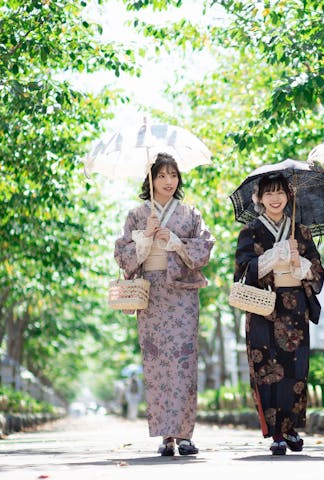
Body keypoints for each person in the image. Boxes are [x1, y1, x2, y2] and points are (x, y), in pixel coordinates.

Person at [114, 152, 214, 456]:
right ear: (150, 180)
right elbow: (123, 255)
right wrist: (145, 237)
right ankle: (166, 436)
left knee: (184, 361)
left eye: (173, 175)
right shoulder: (136, 215)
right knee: (157, 364)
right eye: (161, 175)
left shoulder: (190, 214)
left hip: (182, 294)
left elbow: (204, 250)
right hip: (152, 294)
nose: (168, 181)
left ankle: (184, 434)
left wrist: (175, 242)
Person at [234, 172, 324, 455]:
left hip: (295, 304)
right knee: (267, 369)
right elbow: (243, 270)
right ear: (259, 199)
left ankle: (291, 428)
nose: (275, 198)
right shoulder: (249, 232)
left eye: (280, 192)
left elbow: (319, 275)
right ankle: (275, 431)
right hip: (263, 306)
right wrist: (275, 254)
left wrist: (302, 263)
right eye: (269, 193)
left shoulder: (302, 232)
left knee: (295, 369)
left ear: (289, 196)